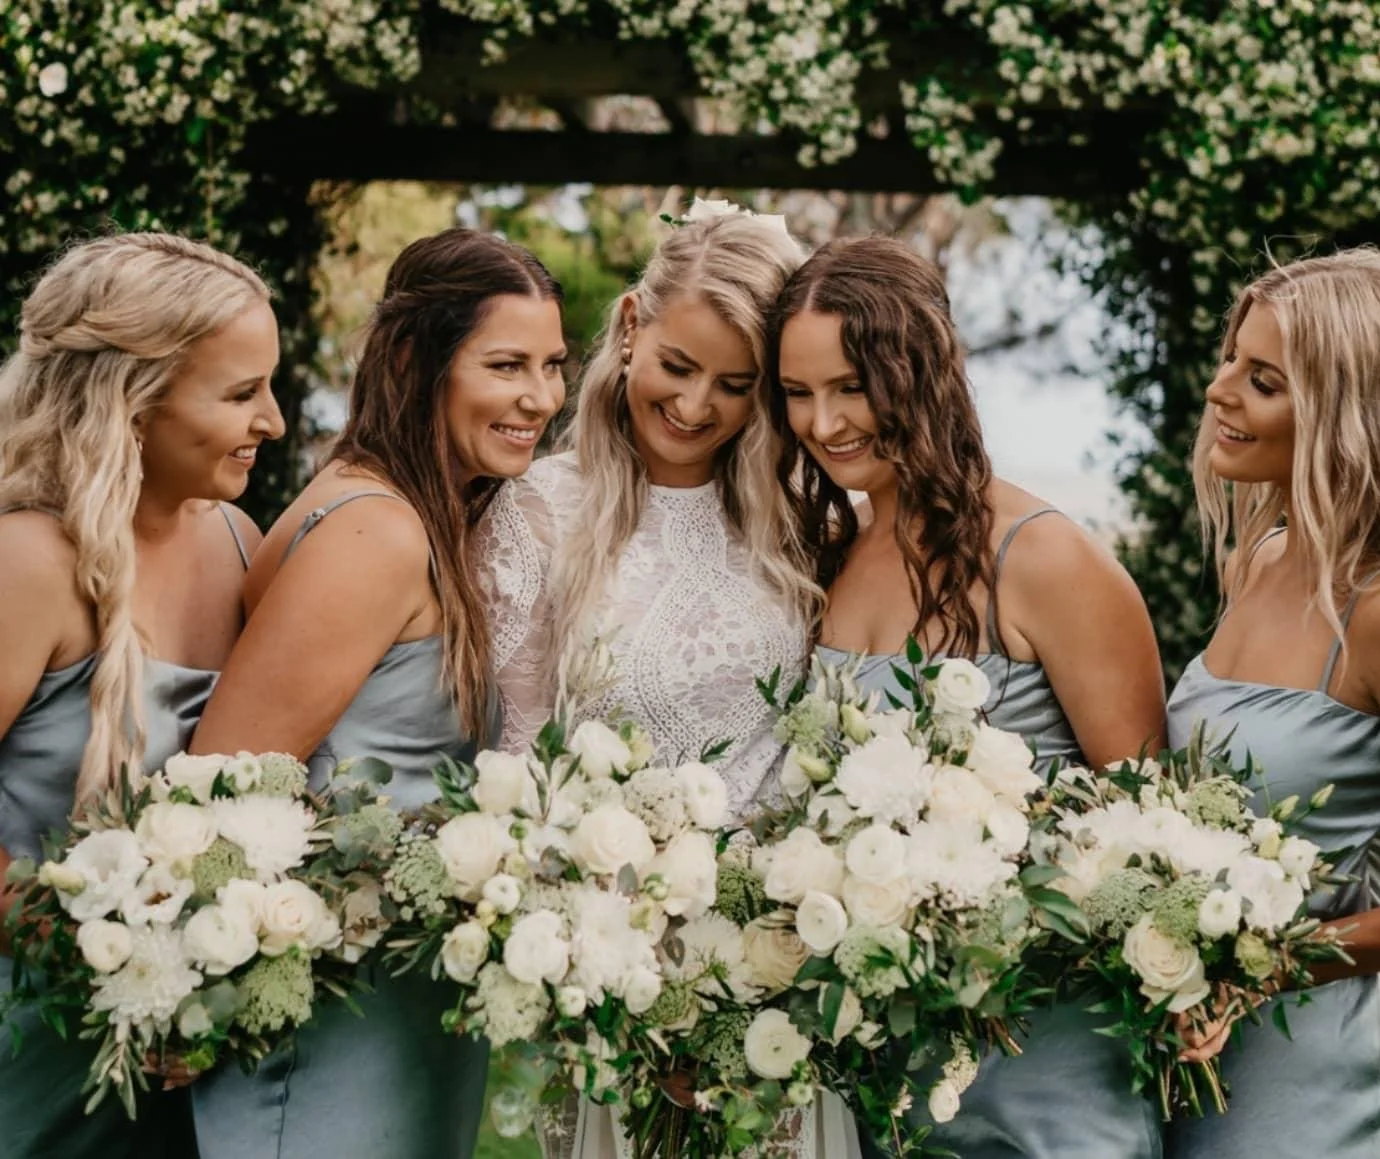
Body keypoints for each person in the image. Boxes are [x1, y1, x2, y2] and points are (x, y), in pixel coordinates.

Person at [771, 235, 1168, 1158]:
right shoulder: (836, 554)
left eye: (850, 386)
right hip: (879, 1059)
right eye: (797, 392)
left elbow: (1153, 837)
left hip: (1040, 1060)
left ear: (921, 371)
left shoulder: (1046, 557)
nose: (823, 422)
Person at [477, 202, 853, 1158]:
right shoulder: (538, 510)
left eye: (735, 384)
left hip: (777, 975)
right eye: (678, 367)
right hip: (613, 975)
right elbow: (519, 758)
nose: (695, 407)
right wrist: (607, 969)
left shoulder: (807, 523)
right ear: (633, 323)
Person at [188, 228, 567, 1159]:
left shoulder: (435, 517)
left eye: (554, 365)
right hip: (324, 1028)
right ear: (413, 359)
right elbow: (218, 801)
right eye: (506, 363)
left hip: (403, 1017)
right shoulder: (375, 532)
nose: (541, 398)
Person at [0, 232, 283, 1158]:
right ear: (133, 402)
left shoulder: (240, 541)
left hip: (179, 1065)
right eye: (242, 393)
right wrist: (107, 955)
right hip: (32, 1042)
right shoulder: (31, 562)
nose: (273, 421)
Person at [1166, 248, 1380, 1158]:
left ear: (1343, 414)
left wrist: (1278, 965)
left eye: (1264, 379)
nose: (1219, 391)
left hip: (1331, 1061)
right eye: (1232, 361)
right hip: (1208, 1049)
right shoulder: (1262, 559)